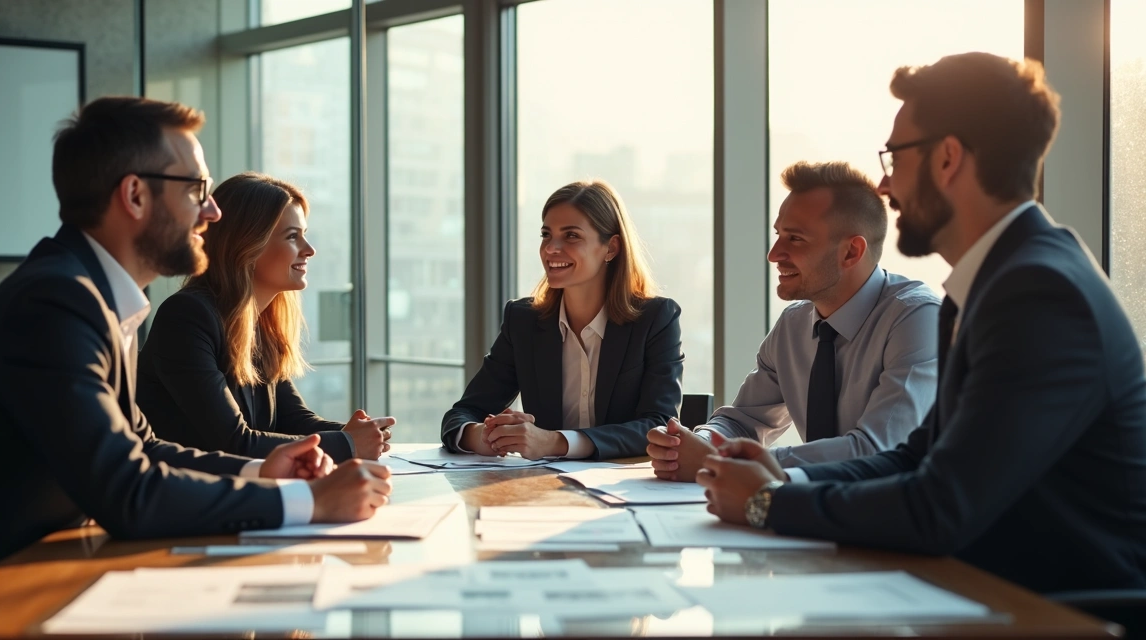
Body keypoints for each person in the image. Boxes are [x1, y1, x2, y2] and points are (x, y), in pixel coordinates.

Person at [696, 52, 1146, 593]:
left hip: (1065, 610)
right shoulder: (997, 282)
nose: (885, 187)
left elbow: (941, 505)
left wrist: (768, 502)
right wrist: (782, 476)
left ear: (948, 158)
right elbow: (917, 456)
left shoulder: (1038, 293)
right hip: (1000, 590)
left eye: (895, 159)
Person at [0, 97, 391, 595]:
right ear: (134, 196)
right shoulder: (56, 302)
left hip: (41, 574)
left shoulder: (97, 299)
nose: (212, 211)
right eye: (196, 190)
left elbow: (144, 449)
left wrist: (263, 470)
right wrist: (310, 502)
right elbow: (127, 489)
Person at [646, 161, 939, 481]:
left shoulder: (917, 319)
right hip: (817, 503)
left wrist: (735, 460)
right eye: (778, 235)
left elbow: (876, 449)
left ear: (851, 252)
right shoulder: (794, 323)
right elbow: (742, 421)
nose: (774, 254)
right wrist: (692, 443)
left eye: (795, 239)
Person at [138, 172, 393, 462]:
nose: (309, 250)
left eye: (304, 234)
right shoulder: (186, 318)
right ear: (247, 244)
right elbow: (234, 442)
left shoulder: (260, 323)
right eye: (292, 236)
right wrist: (347, 443)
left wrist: (360, 434)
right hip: (189, 487)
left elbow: (294, 420)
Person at [441, 180, 683, 460]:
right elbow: (461, 415)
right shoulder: (523, 321)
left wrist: (555, 442)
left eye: (571, 236)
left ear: (611, 248)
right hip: (544, 483)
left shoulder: (656, 319)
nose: (551, 248)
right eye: (546, 235)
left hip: (624, 483)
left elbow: (658, 425)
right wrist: (487, 436)